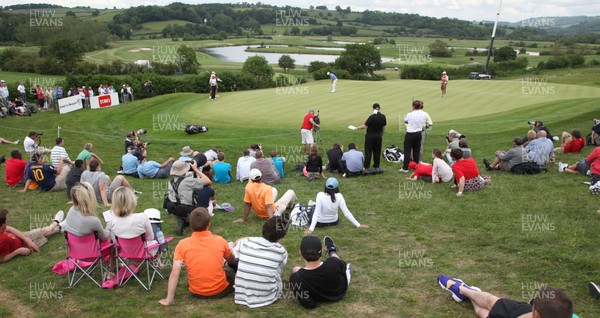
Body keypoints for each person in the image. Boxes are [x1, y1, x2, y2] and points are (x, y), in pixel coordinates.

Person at [159, 208, 236, 305]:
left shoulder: (182, 244)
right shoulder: (220, 241)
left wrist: (169, 299)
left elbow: (175, 271)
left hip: (196, 292)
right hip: (219, 291)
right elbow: (232, 260)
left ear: (191, 225)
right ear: (209, 224)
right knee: (230, 271)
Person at [438, 275, 574, 318]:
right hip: (521, 312)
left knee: (483, 313)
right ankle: (463, 290)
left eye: (534, 302)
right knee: (492, 301)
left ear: (537, 313)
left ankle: (465, 292)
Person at [233, 217, 289, 308]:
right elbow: (279, 271)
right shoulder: (281, 251)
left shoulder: (246, 242)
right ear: (281, 236)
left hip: (241, 295)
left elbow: (236, 242)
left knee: (232, 247)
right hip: (268, 297)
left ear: (263, 228)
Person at [289, 235, 352, 309]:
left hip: (321, 294)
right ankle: (332, 250)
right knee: (336, 260)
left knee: (295, 269)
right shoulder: (333, 263)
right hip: (340, 292)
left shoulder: (297, 278)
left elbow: (309, 304)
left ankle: (332, 251)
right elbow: (343, 265)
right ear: (321, 251)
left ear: (300, 252)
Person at [166, 160, 211, 235]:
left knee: (180, 205)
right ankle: (188, 220)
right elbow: (207, 181)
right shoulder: (188, 181)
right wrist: (196, 169)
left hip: (174, 208)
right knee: (205, 212)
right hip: (189, 209)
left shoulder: (170, 182)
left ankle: (182, 220)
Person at [352, 103, 387, 172]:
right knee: (377, 151)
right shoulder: (383, 116)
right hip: (378, 136)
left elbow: (365, 126)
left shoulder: (372, 117)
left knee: (368, 151)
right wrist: (381, 134)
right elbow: (384, 126)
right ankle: (376, 166)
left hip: (370, 136)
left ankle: (367, 166)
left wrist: (357, 128)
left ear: (373, 108)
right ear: (379, 108)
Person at [401, 100, 428, 172]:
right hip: (418, 133)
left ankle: (405, 167)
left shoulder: (410, 114)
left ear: (413, 106)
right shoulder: (423, 114)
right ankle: (415, 166)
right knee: (416, 150)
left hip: (410, 133)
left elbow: (406, 121)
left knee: (407, 150)